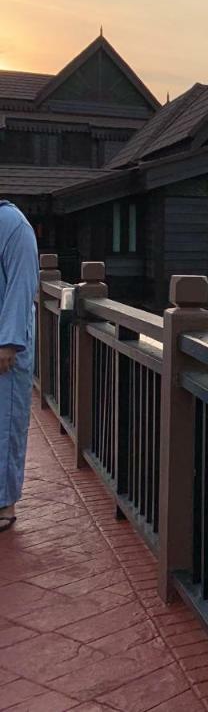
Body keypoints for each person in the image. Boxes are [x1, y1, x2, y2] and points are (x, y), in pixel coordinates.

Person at [0, 200, 38, 533]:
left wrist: (9, 342)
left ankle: (4, 503)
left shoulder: (12, 223)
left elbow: (22, 285)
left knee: (6, 424)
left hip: (5, 348)